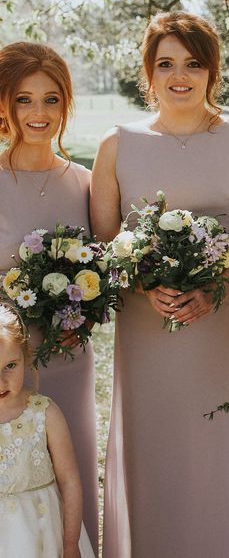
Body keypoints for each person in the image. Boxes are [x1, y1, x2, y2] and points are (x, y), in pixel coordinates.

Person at [91, 11, 229, 557]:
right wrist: (147, 288)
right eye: (166, 63)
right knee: (156, 449)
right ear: (148, 73)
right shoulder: (117, 144)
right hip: (148, 325)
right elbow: (105, 244)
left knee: (217, 448)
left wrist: (217, 291)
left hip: (223, 322)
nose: (180, 76)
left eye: (193, 63)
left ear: (212, 71)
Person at [0, 41, 99, 552]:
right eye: (23, 99)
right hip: (2, 369)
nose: (39, 113)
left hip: (68, 358)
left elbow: (106, 271)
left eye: (52, 99)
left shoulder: (86, 182)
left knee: (72, 473)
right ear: (3, 105)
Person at [0, 304, 95, 558]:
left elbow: (69, 480)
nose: (1, 382)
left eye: (10, 365)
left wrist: (71, 543)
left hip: (43, 534)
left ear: (25, 358)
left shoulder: (45, 413)